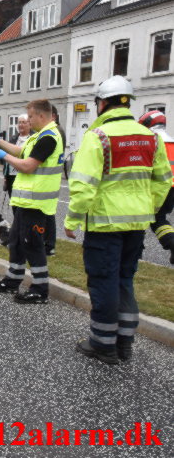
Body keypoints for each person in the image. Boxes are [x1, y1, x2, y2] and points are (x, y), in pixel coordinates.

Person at [64, 76, 171, 364]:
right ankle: (125, 344)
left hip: (105, 224)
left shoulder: (98, 137)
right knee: (125, 280)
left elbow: (83, 186)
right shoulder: (150, 137)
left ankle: (102, 344)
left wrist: (72, 220)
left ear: (103, 103)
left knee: (103, 282)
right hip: (136, 226)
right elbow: (163, 182)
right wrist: (145, 208)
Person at [0, 99, 64, 304]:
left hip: (36, 204)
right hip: (25, 202)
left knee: (32, 246)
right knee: (17, 243)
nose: (28, 121)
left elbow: (28, 166)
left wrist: (4, 157)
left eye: (30, 117)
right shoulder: (37, 136)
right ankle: (13, 280)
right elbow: (21, 152)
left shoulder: (49, 138)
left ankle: (40, 289)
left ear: (41, 116)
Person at [138, 110, 174, 264]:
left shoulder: (152, 142)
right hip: (172, 188)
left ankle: (136, 251)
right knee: (159, 219)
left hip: (156, 187)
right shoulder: (172, 142)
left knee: (140, 218)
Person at [43, 105, 68, 256]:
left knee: (48, 213)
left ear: (53, 116)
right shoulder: (57, 130)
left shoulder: (55, 132)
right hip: (50, 176)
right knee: (47, 213)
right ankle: (47, 243)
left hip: (49, 177)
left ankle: (50, 245)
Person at [3, 114, 31, 198]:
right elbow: (7, 158)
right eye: (19, 123)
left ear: (29, 124)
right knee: (13, 200)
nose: (20, 125)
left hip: (24, 175)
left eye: (23, 122)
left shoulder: (33, 138)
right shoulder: (13, 138)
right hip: (11, 175)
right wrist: (5, 175)